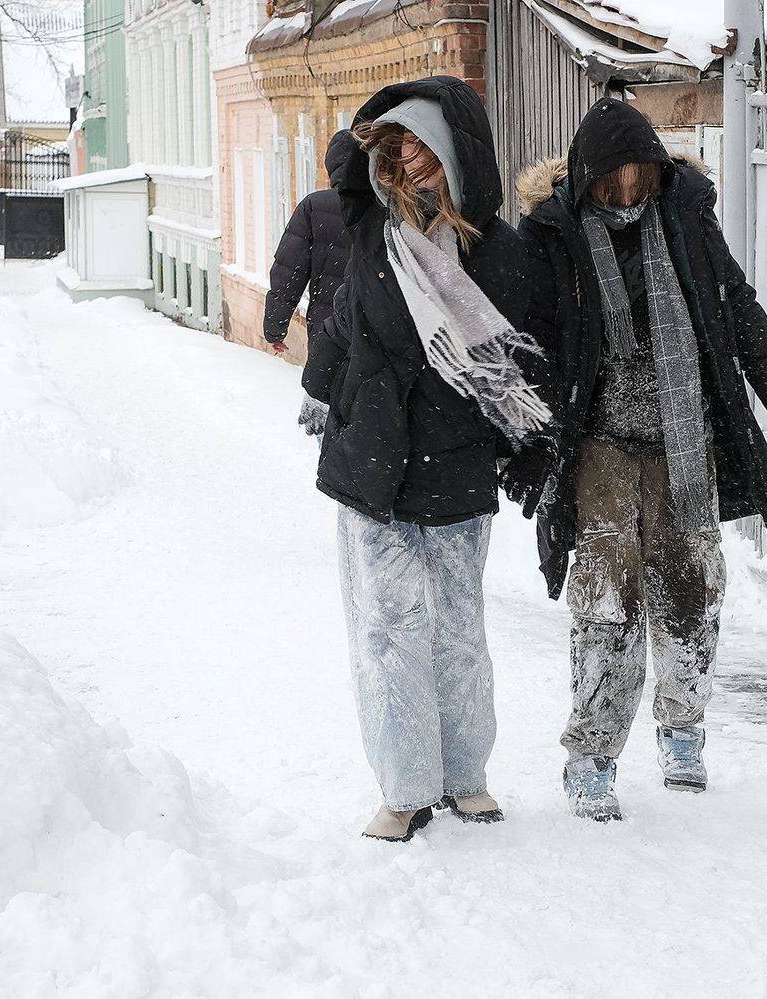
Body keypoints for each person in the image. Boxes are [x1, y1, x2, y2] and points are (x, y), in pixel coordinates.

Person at [505, 98, 767, 822]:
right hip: (601, 444)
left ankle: (682, 728)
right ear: (586, 177)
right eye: (611, 181)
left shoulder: (684, 217)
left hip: (683, 439)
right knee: (605, 602)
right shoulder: (554, 234)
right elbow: (529, 339)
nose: (626, 193)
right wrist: (522, 440)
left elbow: (736, 306)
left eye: (637, 176)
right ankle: (591, 754)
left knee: (690, 589)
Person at [302, 76, 551, 842]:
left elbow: (522, 361)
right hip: (373, 466)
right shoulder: (372, 233)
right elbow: (341, 322)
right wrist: (320, 392)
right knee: (387, 631)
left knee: (457, 631)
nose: (408, 157)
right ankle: (405, 789)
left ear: (455, 149)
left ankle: (466, 775)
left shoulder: (499, 252)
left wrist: (530, 447)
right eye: (399, 142)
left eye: (422, 142)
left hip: (455, 467)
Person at [263, 129, 357, 437]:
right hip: (372, 332)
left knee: (328, 411)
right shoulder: (386, 209)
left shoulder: (315, 207)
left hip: (327, 333)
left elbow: (287, 272)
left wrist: (275, 327)